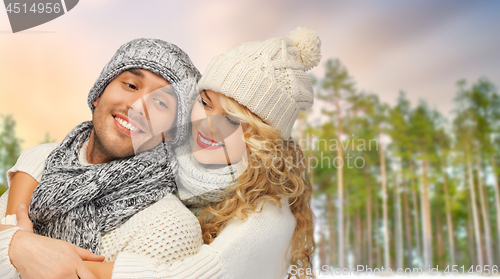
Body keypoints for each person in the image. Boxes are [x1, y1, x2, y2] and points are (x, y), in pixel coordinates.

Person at [1, 26, 321, 279]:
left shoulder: (266, 220)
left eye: (234, 120)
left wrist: (50, 258)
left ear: (263, 141)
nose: (208, 125)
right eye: (205, 103)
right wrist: (20, 236)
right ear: (97, 94)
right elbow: (48, 156)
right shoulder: (55, 164)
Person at [0, 38, 203, 278]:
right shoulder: (40, 161)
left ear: (171, 132)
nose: (138, 106)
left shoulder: (171, 227)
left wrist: (16, 244)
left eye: (160, 102)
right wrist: (15, 245)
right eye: (130, 85)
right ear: (98, 94)